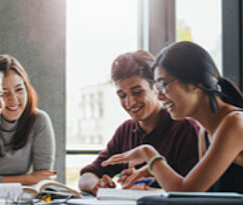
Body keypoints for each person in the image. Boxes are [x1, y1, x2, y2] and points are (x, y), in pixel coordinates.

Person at [102, 41, 243, 205]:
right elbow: (200, 195)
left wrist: (148, 154)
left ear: (194, 84)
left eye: (163, 85)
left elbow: (185, 194)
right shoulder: (205, 132)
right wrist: (155, 172)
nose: (159, 95)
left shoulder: (235, 123)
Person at [78, 50, 200, 195]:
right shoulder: (126, 130)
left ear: (156, 88)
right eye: (122, 96)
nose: (130, 103)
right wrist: (96, 185)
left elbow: (191, 191)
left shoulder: (186, 129)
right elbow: (88, 174)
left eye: (137, 92)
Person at [0, 54, 56, 185]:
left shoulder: (39, 120)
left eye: (19, 89)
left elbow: (44, 177)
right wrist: (27, 179)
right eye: (4, 93)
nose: (13, 99)